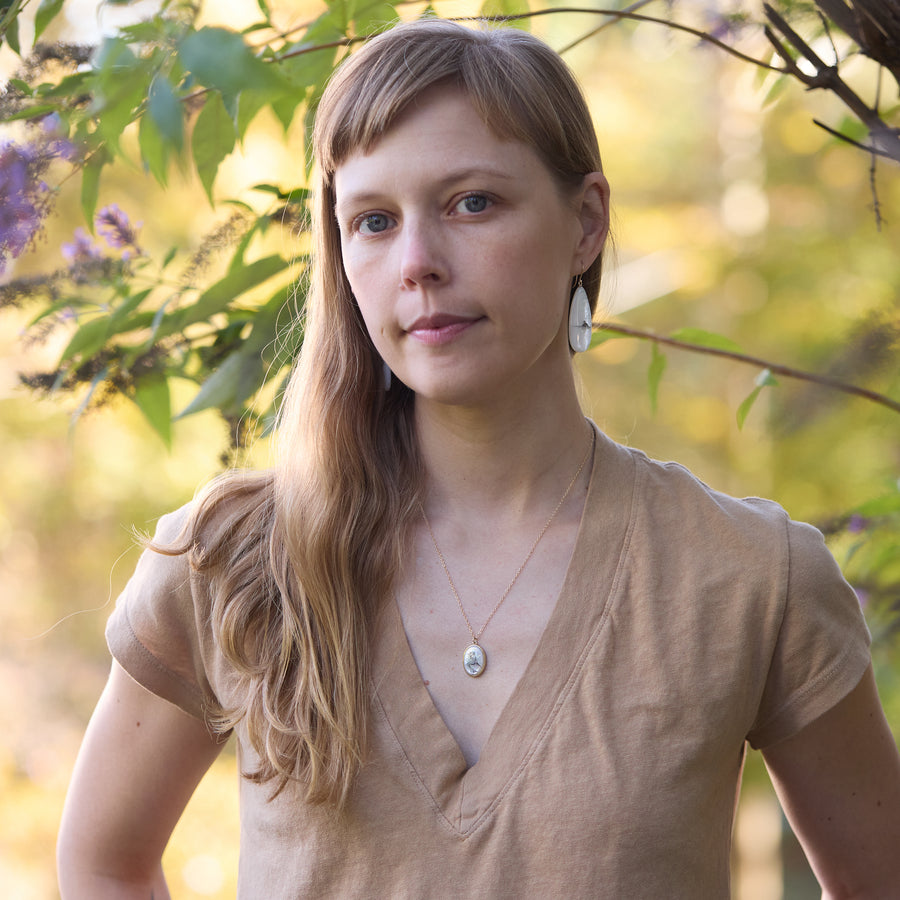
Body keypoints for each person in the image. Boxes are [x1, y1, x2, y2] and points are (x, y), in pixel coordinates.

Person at [57, 18, 900, 898]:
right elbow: (102, 862)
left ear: (585, 223)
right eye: (374, 221)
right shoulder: (234, 560)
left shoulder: (749, 578)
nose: (417, 263)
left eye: (472, 203)